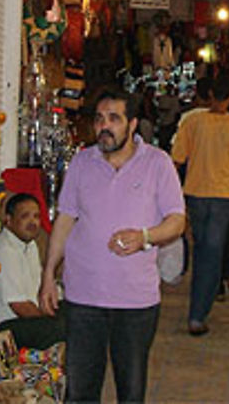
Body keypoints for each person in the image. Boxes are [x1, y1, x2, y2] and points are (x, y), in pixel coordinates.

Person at [38, 87, 185, 403]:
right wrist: (48, 275)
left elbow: (177, 220)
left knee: (130, 391)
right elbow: (65, 219)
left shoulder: (158, 164)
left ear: (132, 124)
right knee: (80, 391)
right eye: (99, 119)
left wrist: (144, 236)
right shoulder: (81, 162)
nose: (104, 126)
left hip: (135, 302)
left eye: (114, 119)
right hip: (83, 298)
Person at [171, 72, 229, 336]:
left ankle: (197, 310)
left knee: (201, 253)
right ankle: (197, 314)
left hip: (195, 194)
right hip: (222, 199)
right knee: (211, 256)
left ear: (208, 96)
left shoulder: (192, 123)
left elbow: (177, 161)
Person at [0, 192, 64, 350]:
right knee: (60, 329)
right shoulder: (3, 250)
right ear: (9, 220)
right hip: (2, 328)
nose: (33, 222)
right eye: (25, 216)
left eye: (36, 217)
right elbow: (20, 306)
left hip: (25, 319)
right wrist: (51, 323)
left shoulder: (29, 245)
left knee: (78, 314)